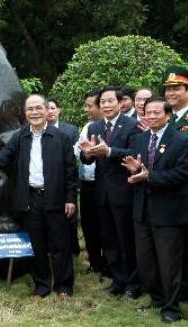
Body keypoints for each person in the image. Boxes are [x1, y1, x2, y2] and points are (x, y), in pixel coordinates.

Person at [0, 94, 78, 299]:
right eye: (30, 109)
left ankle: (64, 286)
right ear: (25, 113)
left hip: (55, 198)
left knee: (59, 244)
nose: (34, 112)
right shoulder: (20, 137)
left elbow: (71, 172)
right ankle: (41, 285)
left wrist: (70, 198)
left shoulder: (61, 138)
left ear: (47, 110)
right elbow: (1, 158)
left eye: (38, 108)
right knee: (36, 244)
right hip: (30, 199)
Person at [122, 97, 188, 323]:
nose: (151, 116)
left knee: (168, 263)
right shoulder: (140, 139)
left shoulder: (181, 140)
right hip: (142, 210)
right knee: (146, 262)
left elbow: (182, 174)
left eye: (156, 113)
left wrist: (149, 176)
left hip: (169, 212)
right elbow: (135, 167)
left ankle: (172, 308)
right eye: (147, 113)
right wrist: (134, 170)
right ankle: (157, 298)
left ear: (168, 115)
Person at [79, 86, 140, 298]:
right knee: (108, 239)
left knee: (126, 239)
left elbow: (135, 153)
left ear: (120, 103)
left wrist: (110, 151)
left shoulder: (132, 125)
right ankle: (118, 279)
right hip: (101, 192)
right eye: (102, 102)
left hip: (123, 191)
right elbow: (87, 158)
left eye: (109, 101)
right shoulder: (94, 126)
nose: (106, 105)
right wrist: (87, 153)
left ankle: (133, 283)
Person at [163, 65, 188, 301]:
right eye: (168, 89)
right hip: (168, 193)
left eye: (176, 88)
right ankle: (182, 291)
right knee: (175, 248)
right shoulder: (164, 119)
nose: (171, 93)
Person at [74, 90, 105, 273]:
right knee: (88, 223)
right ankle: (94, 262)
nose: (87, 109)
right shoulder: (88, 127)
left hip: (102, 183)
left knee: (105, 224)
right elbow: (79, 153)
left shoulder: (108, 128)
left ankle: (108, 263)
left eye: (90, 106)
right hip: (86, 182)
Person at [46, 99, 80, 256]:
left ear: (59, 110)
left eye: (53, 108)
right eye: (47, 108)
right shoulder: (39, 130)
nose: (50, 111)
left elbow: (74, 155)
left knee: (70, 217)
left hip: (66, 176)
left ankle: (73, 248)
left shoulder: (70, 130)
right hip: (47, 180)